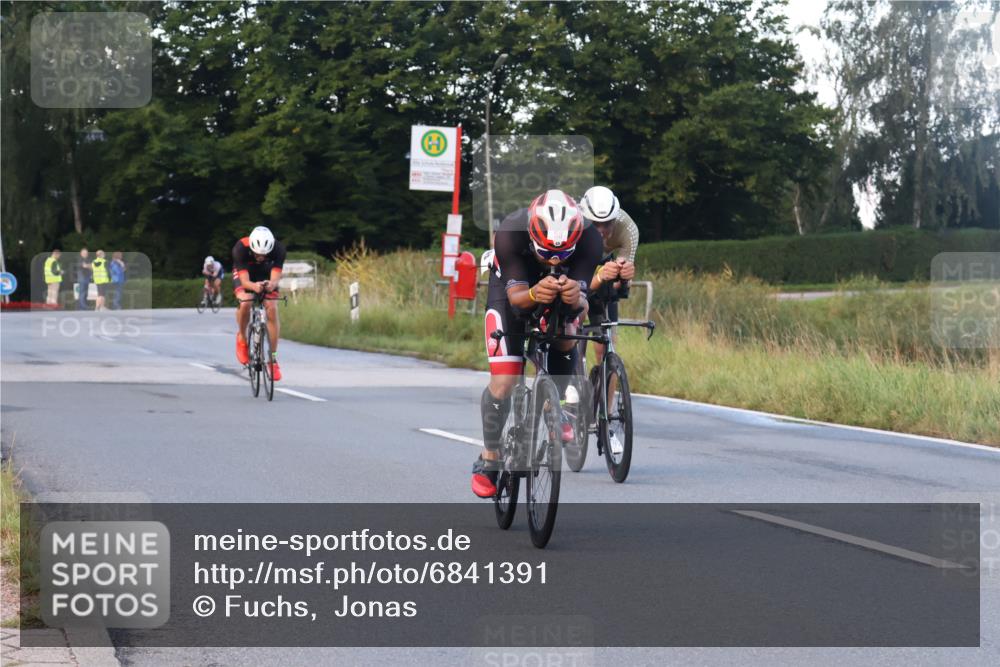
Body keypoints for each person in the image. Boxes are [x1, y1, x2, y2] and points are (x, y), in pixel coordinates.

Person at [472, 189, 603, 498]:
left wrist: (577, 298)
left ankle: (556, 405)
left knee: (567, 335)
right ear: (532, 234)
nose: (554, 259)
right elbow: (517, 300)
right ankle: (490, 456)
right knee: (504, 381)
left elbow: (583, 305)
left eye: (563, 254)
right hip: (511, 290)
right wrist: (533, 293)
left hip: (559, 288)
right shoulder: (511, 232)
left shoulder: (590, 239)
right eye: (546, 252)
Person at [578, 186, 639, 365]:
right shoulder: (573, 224)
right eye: (595, 224)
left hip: (605, 267)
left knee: (605, 346)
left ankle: (607, 377)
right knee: (569, 334)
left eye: (607, 223)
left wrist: (624, 277)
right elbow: (573, 282)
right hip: (578, 264)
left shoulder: (628, 229)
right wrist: (598, 277)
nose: (601, 230)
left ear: (615, 218)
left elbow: (620, 287)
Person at [232, 226, 286, 381]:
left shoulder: (279, 249)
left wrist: (271, 284)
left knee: (272, 308)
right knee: (245, 301)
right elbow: (245, 282)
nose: (260, 257)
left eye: (264, 254)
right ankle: (242, 338)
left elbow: (275, 278)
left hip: (266, 272)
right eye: (257, 254)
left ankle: (272, 360)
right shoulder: (240, 248)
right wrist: (254, 287)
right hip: (246, 273)